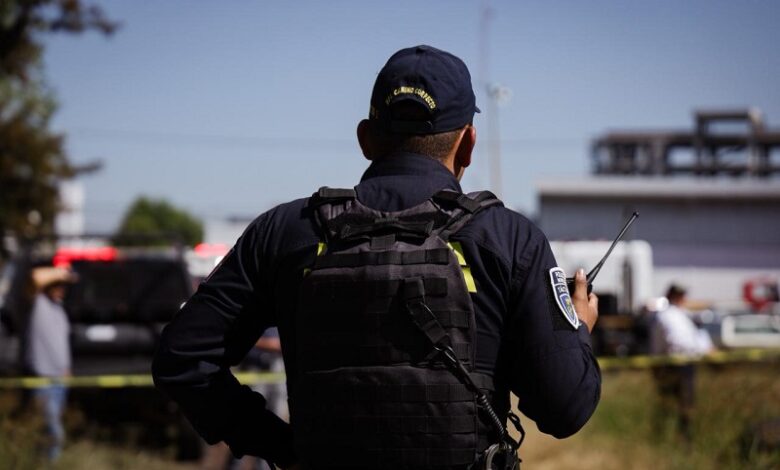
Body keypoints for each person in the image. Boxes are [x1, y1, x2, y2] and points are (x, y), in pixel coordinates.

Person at [153, 45, 601, 469]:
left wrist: (282, 449)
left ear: (365, 139)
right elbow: (564, 408)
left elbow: (182, 357)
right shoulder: (509, 239)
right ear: (468, 143)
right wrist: (577, 330)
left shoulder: (284, 232)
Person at [650, 283, 713, 440]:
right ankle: (666, 436)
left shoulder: (681, 315)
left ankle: (681, 437)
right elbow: (678, 342)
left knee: (683, 405)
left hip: (682, 364)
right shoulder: (666, 316)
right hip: (673, 365)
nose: (682, 299)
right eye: (680, 296)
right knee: (671, 404)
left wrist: (706, 347)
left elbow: (695, 337)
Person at [26, 266, 76, 461]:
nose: (61, 289)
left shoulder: (58, 309)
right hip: (44, 379)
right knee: (54, 431)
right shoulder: (39, 304)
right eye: (57, 285)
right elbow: (35, 277)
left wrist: (66, 368)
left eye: (62, 286)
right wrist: (60, 273)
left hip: (60, 379)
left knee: (48, 429)